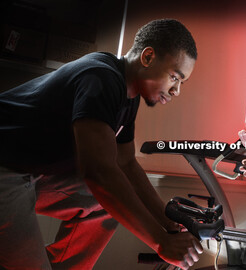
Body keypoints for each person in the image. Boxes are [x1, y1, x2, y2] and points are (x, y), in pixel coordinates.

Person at [0, 19, 203, 270]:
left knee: (103, 206)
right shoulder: (100, 78)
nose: (177, 91)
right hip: (6, 170)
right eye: (175, 77)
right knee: (106, 193)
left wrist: (169, 222)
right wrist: (161, 242)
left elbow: (127, 164)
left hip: (29, 172)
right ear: (148, 57)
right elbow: (99, 173)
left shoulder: (127, 96)